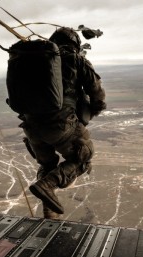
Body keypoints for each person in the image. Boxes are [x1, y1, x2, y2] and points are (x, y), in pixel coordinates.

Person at [21, 27, 106, 219]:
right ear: (75, 45)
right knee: (83, 157)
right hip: (60, 125)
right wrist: (90, 113)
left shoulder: (33, 61)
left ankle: (49, 209)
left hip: (31, 128)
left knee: (48, 164)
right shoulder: (76, 59)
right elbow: (97, 95)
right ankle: (47, 186)